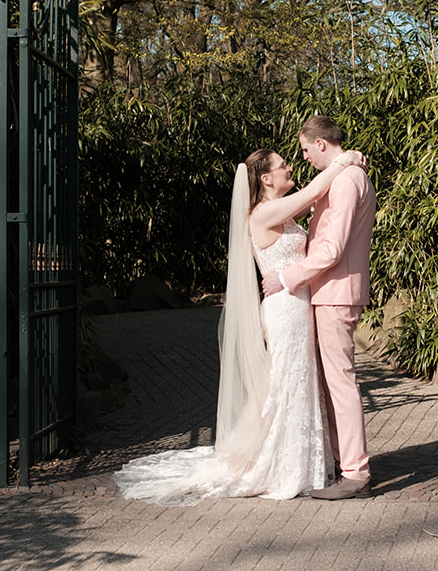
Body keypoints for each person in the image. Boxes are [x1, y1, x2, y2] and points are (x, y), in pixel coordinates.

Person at [113, 144, 367, 505]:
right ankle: (285, 467)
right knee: (289, 383)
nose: (290, 167)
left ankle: (308, 463)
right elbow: (315, 191)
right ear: (265, 178)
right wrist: (345, 160)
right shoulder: (265, 212)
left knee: (300, 381)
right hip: (285, 310)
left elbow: (318, 199)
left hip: (299, 306)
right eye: (283, 165)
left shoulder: (284, 209)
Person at [262, 114, 377, 500]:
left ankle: (356, 473)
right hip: (330, 291)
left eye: (307, 149)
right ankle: (341, 463)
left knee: (341, 383)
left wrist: (288, 277)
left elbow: (332, 248)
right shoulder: (344, 176)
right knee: (332, 383)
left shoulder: (346, 181)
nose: (305, 157)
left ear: (322, 144)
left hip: (336, 291)